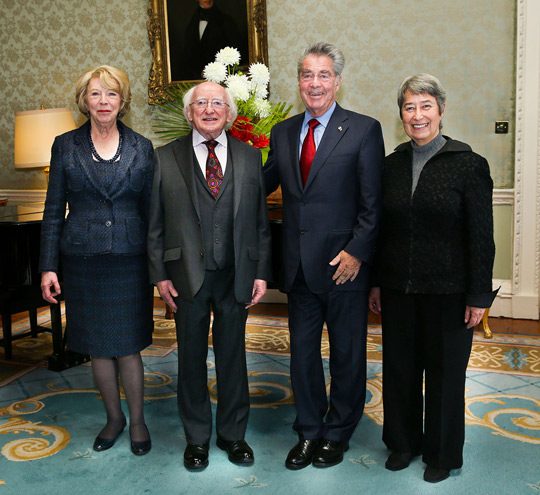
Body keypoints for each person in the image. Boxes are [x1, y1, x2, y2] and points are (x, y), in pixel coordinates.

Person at [368, 73, 498, 483]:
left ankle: (442, 454)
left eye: (426, 106)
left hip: (450, 292)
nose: (417, 115)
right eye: (409, 107)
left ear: (441, 111)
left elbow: (481, 235)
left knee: (444, 376)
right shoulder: (389, 166)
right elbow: (380, 231)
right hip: (397, 290)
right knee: (401, 370)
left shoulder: (469, 164)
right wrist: (375, 282)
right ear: (401, 115)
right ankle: (403, 444)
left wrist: (478, 294)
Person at [264, 42, 384, 469]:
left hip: (344, 268)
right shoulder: (282, 132)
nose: (314, 84)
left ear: (337, 81)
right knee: (302, 356)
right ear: (298, 81)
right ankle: (309, 430)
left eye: (323, 75)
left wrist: (356, 252)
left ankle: (339, 431)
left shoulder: (363, 129)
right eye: (307, 75)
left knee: (348, 354)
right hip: (297, 266)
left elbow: (374, 203)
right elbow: (259, 185)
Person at [148, 81, 271, 470]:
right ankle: (197, 439)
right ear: (189, 113)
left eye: (217, 102)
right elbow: (153, 224)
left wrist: (262, 271)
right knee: (191, 360)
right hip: (185, 276)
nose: (209, 109)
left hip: (236, 273)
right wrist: (159, 275)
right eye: (200, 103)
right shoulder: (163, 157)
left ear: (230, 113)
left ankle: (234, 436)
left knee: (234, 358)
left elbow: (260, 223)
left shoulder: (251, 158)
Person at [39, 65, 154, 456]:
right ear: (84, 101)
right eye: (95, 94)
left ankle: (137, 421)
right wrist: (48, 266)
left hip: (129, 260)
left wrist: (160, 270)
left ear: (123, 102)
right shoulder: (64, 145)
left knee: (129, 344)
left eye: (112, 94)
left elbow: (153, 214)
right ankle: (113, 418)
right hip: (83, 260)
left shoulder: (142, 147)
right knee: (98, 345)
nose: (103, 101)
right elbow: (53, 209)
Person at [170, 0, 247, 81]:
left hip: (220, 80)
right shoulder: (191, 24)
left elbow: (239, 53)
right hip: (194, 81)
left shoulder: (227, 22)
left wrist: (215, 69)